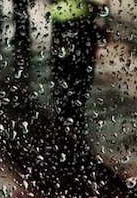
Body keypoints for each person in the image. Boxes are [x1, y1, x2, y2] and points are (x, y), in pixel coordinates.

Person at [47, 0, 98, 133]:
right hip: (82, 16)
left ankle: (66, 110)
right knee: (80, 68)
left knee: (63, 65)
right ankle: (74, 111)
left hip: (64, 13)